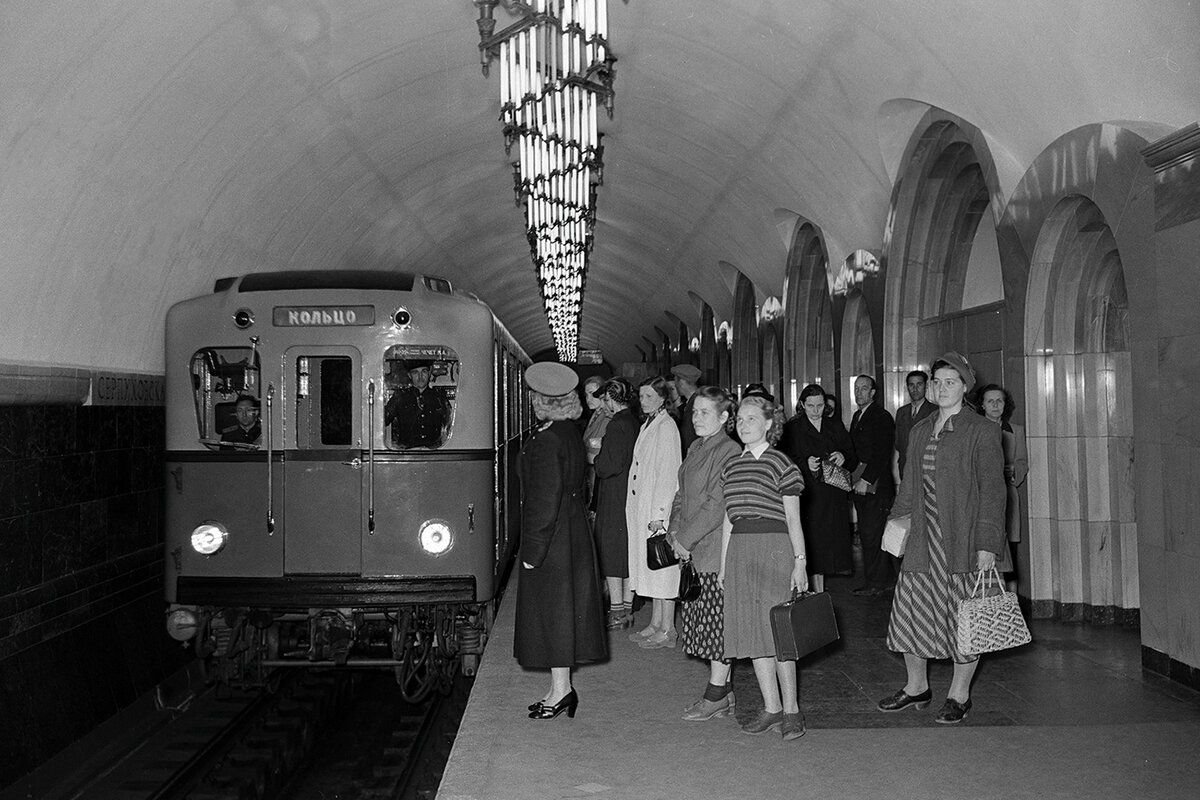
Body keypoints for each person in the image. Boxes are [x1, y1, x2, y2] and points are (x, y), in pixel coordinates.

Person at [879, 352, 1006, 724]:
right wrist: (894, 525)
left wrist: (986, 544)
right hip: (922, 538)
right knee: (910, 613)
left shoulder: (982, 430)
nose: (942, 388)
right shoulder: (920, 430)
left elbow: (993, 493)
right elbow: (908, 486)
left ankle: (959, 694)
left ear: (965, 387)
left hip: (960, 539)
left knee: (962, 618)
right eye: (937, 381)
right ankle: (916, 686)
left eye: (951, 381)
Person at [514, 362, 607, 720]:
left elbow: (543, 498)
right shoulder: (567, 432)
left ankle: (562, 690)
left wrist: (532, 551)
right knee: (561, 614)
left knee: (552, 614)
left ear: (541, 400)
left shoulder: (547, 439)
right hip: (571, 531)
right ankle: (559, 688)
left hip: (552, 539)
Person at [720, 394, 808, 741]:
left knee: (778, 633)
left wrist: (799, 563)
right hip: (740, 550)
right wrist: (726, 564)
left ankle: (792, 711)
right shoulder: (731, 466)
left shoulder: (780, 464)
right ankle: (771, 707)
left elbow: (792, 519)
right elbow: (728, 520)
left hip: (774, 549)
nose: (744, 425)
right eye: (740, 419)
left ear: (770, 424)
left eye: (752, 419)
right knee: (753, 632)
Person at [666, 386, 741, 720]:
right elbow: (682, 493)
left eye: (705, 412)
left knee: (715, 626)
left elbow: (717, 504)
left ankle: (714, 697)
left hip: (713, 550)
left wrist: (686, 539)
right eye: (694, 411)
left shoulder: (728, 450)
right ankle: (725, 693)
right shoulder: (697, 446)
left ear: (725, 418)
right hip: (693, 548)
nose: (696, 418)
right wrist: (674, 531)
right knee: (704, 622)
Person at [780, 383, 858, 593]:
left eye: (820, 406)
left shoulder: (835, 426)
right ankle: (810, 591)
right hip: (808, 495)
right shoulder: (792, 428)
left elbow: (851, 454)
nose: (816, 411)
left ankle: (819, 592)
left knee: (828, 548)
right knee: (812, 546)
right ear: (802, 405)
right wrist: (804, 463)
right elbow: (785, 460)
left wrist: (843, 456)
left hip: (833, 494)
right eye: (811, 406)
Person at [626, 376, 683, 649]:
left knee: (663, 570)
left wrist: (660, 513)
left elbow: (669, 474)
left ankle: (668, 629)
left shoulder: (667, 427)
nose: (643, 401)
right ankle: (656, 623)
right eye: (641, 396)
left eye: (649, 396)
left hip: (657, 509)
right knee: (653, 568)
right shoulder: (648, 424)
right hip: (644, 506)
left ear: (663, 398)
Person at [592, 377, 639, 629]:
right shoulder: (632, 421)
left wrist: (597, 458)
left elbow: (608, 465)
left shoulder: (616, 425)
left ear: (611, 398)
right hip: (628, 492)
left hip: (614, 494)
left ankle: (618, 612)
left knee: (611, 550)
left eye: (605, 398)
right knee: (626, 550)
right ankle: (627, 608)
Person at [849, 374, 897, 596]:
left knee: (873, 534)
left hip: (875, 487)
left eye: (864, 388)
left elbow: (881, 453)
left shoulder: (881, 416)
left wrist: (866, 479)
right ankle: (878, 581)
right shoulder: (858, 416)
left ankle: (878, 583)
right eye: (856, 388)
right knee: (869, 535)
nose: (859, 393)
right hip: (862, 486)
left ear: (873, 392)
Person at [978, 383, 1028, 587]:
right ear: (982, 405)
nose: (995, 405)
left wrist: (1014, 472)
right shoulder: (975, 430)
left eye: (1000, 400)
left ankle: (1011, 605)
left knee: (1010, 553)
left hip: (1008, 497)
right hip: (983, 498)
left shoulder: (1015, 431)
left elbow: (1022, 462)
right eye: (990, 401)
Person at [384, 364, 446, 447]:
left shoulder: (439, 397)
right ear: (409, 375)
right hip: (407, 454)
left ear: (429, 372)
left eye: (424, 371)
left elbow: (451, 424)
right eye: (415, 373)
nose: (420, 377)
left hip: (433, 453)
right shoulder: (400, 397)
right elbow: (382, 420)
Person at [893, 370, 936, 485]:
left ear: (926, 386)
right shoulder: (901, 412)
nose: (915, 389)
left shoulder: (935, 411)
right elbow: (898, 443)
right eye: (911, 385)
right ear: (907, 387)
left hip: (926, 470)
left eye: (919, 384)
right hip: (905, 469)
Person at [580, 375, 613, 508]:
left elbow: (599, 446)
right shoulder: (596, 414)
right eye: (586, 395)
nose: (588, 399)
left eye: (592, 394)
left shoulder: (608, 417)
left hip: (598, 471)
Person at [671, 363, 702, 454]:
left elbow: (690, 436)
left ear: (682, 382)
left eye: (675, 381)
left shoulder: (696, 404)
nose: (675, 385)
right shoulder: (690, 402)